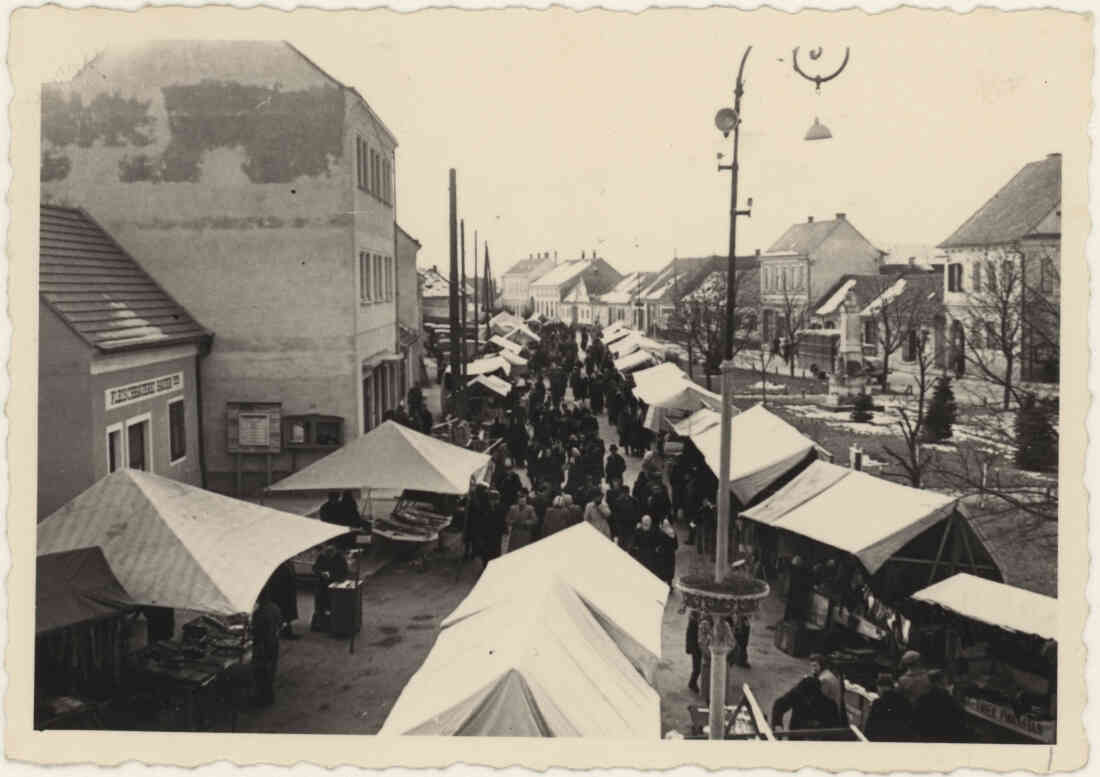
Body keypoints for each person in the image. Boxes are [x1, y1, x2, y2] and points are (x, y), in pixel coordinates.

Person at [771, 663, 844, 734]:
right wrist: (778, 725)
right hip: (797, 734)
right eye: (806, 697)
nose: (809, 700)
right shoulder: (796, 694)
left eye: (812, 697)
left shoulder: (826, 702)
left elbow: (835, 723)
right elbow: (779, 704)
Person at [913, 669, 968, 742]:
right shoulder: (945, 694)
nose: (947, 680)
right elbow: (960, 712)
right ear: (941, 680)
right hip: (945, 731)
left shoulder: (922, 695)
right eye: (945, 678)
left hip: (927, 732)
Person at [250, 587, 282, 706]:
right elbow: (279, 623)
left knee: (261, 673)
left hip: (262, 647)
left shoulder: (260, 613)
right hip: (273, 644)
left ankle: (261, 699)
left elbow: (256, 631)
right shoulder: (275, 608)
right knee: (270, 670)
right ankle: (268, 697)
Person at [864, 672, 917, 742]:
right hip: (900, 739)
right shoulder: (904, 701)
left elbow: (870, 727)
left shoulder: (878, 703)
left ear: (880, 687)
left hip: (882, 739)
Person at [311, 544, 349, 632]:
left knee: (332, 606)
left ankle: (331, 625)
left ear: (334, 552)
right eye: (327, 554)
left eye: (330, 554)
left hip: (334, 585)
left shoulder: (340, 558)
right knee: (320, 606)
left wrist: (332, 576)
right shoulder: (322, 557)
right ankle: (319, 625)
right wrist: (321, 573)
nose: (329, 555)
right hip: (322, 585)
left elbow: (344, 572)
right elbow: (315, 568)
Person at [267, 560, 301, 640]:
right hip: (281, 593)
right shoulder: (280, 565)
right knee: (284, 613)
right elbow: (276, 581)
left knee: (287, 614)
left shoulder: (288, 564)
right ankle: (285, 632)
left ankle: (287, 631)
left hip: (289, 593)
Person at [653, 517, 679, 589]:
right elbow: (676, 546)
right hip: (670, 555)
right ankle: (669, 585)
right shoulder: (673, 533)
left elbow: (657, 543)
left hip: (662, 555)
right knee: (669, 570)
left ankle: (662, 585)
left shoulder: (660, 533)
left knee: (662, 570)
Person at [686, 610, 702, 694]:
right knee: (697, 668)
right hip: (695, 648)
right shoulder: (693, 623)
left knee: (697, 667)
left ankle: (692, 682)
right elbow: (690, 638)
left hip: (696, 647)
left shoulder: (693, 622)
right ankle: (692, 683)